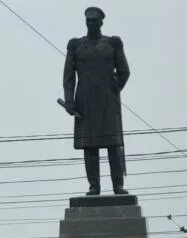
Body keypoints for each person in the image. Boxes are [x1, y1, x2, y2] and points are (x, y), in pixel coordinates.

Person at [62, 6, 130, 195]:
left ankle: (118, 185)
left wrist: (115, 86)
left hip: (108, 101)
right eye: (88, 20)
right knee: (89, 146)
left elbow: (124, 71)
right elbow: (68, 76)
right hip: (85, 101)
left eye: (94, 20)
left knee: (113, 144)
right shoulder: (75, 46)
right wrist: (69, 100)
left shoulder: (112, 43)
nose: (91, 23)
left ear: (101, 22)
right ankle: (94, 185)